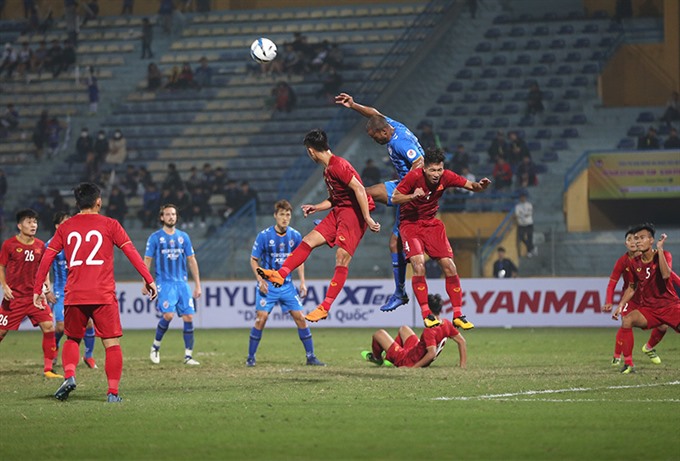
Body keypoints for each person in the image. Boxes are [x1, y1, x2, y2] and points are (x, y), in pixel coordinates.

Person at [32, 182, 157, 402]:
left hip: (74, 294)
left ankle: (69, 375)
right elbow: (131, 252)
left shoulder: (65, 228)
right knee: (111, 343)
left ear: (77, 203)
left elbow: (46, 259)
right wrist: (148, 279)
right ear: (98, 201)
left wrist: (37, 288)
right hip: (102, 295)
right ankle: (112, 392)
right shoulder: (110, 224)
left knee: (72, 339)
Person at [257, 129, 380, 323]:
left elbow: (358, 188)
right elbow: (336, 198)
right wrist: (317, 207)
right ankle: (280, 275)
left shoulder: (339, 165)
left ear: (311, 151)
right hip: (339, 210)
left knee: (341, 257)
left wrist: (367, 217)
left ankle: (325, 307)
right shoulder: (328, 169)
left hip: (353, 213)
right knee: (308, 240)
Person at [335, 92, 424, 313]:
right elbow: (375, 114)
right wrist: (353, 105)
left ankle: (401, 292)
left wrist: (406, 189)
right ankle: (339, 223)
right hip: (403, 185)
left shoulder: (401, 141)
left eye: (376, 137)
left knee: (396, 244)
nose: (375, 141)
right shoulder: (391, 125)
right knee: (363, 193)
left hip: (411, 193)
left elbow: (420, 163)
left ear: (384, 132)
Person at [392, 147, 490, 328]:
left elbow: (471, 186)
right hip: (410, 224)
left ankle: (458, 314)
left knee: (450, 267)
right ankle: (426, 314)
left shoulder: (447, 176)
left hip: (432, 224)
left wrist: (480, 187)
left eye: (439, 169)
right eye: (432, 170)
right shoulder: (414, 177)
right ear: (424, 169)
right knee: (419, 264)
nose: (436, 174)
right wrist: (412, 195)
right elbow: (395, 197)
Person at [247, 200, 324, 367]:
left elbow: (300, 259)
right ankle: (250, 357)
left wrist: (302, 282)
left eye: (287, 215)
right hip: (268, 285)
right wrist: (260, 280)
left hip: (287, 285)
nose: (285, 218)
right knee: (262, 319)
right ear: (275, 216)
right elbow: (254, 260)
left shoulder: (295, 236)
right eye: (281, 214)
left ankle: (310, 357)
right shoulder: (264, 236)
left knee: (301, 318)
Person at [604, 223, 680, 374]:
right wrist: (620, 305)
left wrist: (660, 249)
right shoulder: (633, 263)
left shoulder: (664, 255)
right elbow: (632, 287)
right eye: (636, 238)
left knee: (664, 328)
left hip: (670, 306)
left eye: (642, 238)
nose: (638, 241)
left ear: (651, 240)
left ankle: (649, 348)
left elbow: (666, 275)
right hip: (649, 309)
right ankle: (629, 364)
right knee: (627, 320)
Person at [0, 209, 61, 379]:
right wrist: (4, 286)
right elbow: (1, 267)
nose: (33, 225)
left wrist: (46, 284)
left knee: (49, 327)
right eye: (29, 222)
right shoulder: (9, 245)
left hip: (35, 297)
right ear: (20, 225)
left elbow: (44, 267)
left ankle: (48, 369)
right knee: (1, 332)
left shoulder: (41, 245)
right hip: (14, 298)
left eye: (35, 222)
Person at [146, 204, 201, 365]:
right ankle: (155, 347)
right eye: (168, 214)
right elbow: (147, 260)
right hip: (164, 283)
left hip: (181, 283)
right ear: (162, 217)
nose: (171, 217)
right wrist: (146, 282)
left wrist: (198, 284)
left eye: (173, 214)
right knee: (168, 315)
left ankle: (188, 356)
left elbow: (191, 260)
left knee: (189, 316)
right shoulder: (155, 237)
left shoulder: (184, 237)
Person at [46, 211, 98, 369]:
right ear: (57, 226)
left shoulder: (78, 241)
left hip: (80, 289)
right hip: (61, 291)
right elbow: (45, 267)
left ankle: (88, 356)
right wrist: (47, 289)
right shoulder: (51, 244)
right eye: (65, 222)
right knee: (61, 327)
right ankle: (53, 349)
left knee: (89, 324)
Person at [361, 294, 467, 368]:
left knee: (379, 334)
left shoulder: (429, 331)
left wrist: (413, 368)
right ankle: (389, 358)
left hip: (408, 360)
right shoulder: (446, 323)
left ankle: (378, 359)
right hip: (415, 350)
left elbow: (431, 353)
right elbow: (462, 341)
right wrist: (463, 366)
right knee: (404, 329)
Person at [514, 192, 536, 257]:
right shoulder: (518, 206)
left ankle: (529, 252)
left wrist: (520, 215)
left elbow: (528, 214)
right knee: (521, 237)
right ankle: (532, 248)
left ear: (525, 198)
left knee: (530, 237)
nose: (522, 198)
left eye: (523, 197)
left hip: (529, 223)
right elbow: (516, 215)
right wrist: (521, 215)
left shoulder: (529, 205)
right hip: (521, 224)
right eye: (521, 197)